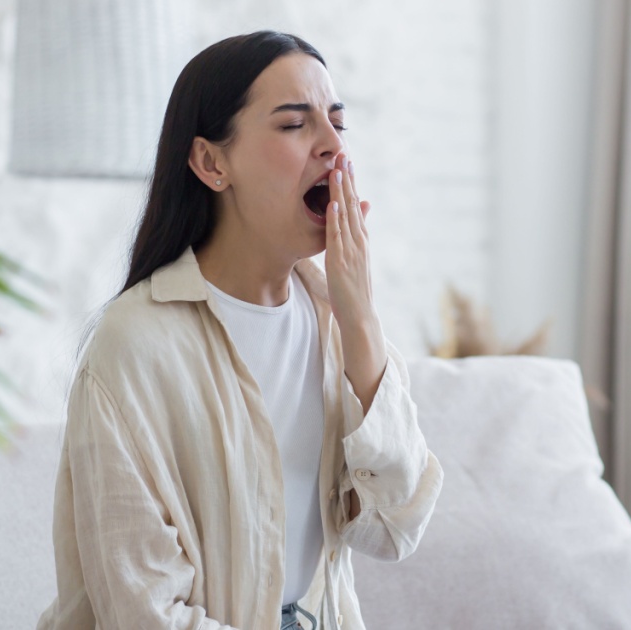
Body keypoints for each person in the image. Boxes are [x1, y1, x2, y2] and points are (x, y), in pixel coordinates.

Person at [36, 31, 444, 630]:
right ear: (211, 162)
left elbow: (397, 525)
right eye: (293, 125)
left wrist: (361, 320)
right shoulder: (133, 347)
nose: (332, 146)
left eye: (336, 122)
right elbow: (145, 613)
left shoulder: (336, 324)